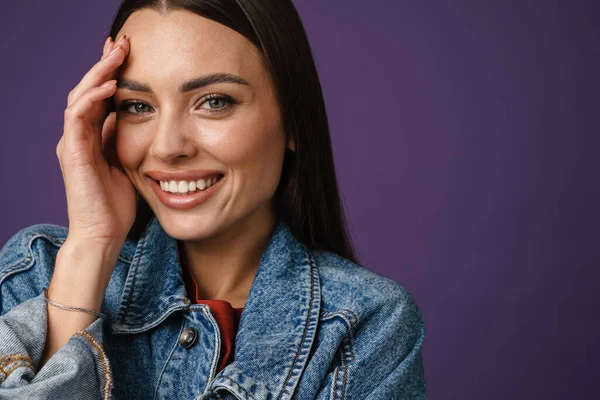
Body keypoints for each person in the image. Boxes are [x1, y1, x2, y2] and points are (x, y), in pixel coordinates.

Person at [0, 1, 427, 399]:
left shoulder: (364, 326)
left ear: (293, 119)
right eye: (137, 106)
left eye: (215, 102)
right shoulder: (37, 271)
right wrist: (91, 244)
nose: (168, 147)